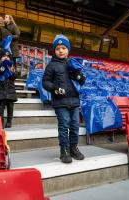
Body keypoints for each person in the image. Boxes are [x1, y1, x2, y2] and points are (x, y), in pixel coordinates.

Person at [42, 34, 86, 164]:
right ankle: (64, 150)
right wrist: (55, 88)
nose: (61, 50)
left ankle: (74, 148)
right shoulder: (51, 65)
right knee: (64, 125)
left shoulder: (73, 64)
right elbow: (45, 82)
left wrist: (78, 76)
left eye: (63, 48)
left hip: (74, 101)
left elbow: (82, 80)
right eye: (58, 48)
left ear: (68, 50)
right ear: (54, 51)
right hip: (60, 102)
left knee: (75, 126)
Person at [0, 49, 17, 128]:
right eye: (4, 56)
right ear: (0, 57)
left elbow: (15, 76)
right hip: (0, 90)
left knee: (10, 106)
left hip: (10, 90)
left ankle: (9, 122)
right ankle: (0, 123)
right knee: (0, 107)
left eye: (8, 56)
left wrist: (12, 71)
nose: (6, 58)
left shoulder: (12, 65)